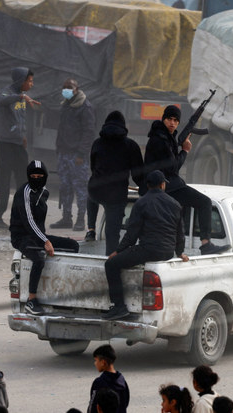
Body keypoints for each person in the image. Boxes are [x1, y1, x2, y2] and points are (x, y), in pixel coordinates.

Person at [102, 170, 189, 320]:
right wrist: (180, 252)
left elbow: (132, 234)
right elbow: (180, 232)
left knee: (111, 265)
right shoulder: (175, 204)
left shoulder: (141, 203)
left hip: (148, 250)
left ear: (148, 185)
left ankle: (119, 307)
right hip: (167, 252)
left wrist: (118, 251)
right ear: (162, 185)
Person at [144, 105, 230, 255]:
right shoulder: (160, 139)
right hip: (167, 186)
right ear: (163, 119)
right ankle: (205, 244)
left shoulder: (164, 137)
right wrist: (185, 150)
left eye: (176, 120)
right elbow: (173, 168)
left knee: (180, 215)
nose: (172, 123)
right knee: (204, 202)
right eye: (169, 119)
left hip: (168, 184)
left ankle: (179, 250)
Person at [10, 160, 80, 315]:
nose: (36, 179)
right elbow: (29, 222)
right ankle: (31, 300)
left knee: (73, 246)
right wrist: (45, 241)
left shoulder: (44, 192)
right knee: (39, 258)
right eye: (33, 176)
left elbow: (39, 223)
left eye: (39, 176)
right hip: (22, 237)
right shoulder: (24, 193)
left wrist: (44, 238)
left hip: (37, 235)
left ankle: (64, 292)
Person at [88, 110, 144, 255]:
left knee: (90, 196)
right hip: (116, 196)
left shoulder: (97, 143)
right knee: (112, 233)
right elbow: (138, 174)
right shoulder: (131, 145)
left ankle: (91, 230)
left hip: (96, 190)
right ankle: (110, 262)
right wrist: (146, 187)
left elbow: (93, 167)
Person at [0, 67, 40, 229]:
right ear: (21, 81)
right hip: (4, 143)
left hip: (18, 144)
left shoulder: (22, 96)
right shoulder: (8, 92)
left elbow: (20, 119)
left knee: (23, 180)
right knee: (4, 180)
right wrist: (21, 96)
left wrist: (23, 136)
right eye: (30, 81)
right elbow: (1, 101)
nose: (32, 84)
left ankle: (21, 216)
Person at [50, 78, 95, 232]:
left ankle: (81, 219)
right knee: (65, 187)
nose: (66, 90)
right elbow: (61, 129)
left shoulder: (85, 107)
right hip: (64, 153)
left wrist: (81, 153)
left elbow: (88, 133)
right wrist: (58, 149)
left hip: (77, 156)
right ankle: (66, 217)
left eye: (69, 87)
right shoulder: (66, 105)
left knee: (80, 188)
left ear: (76, 89)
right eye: (64, 87)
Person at [87, 345, 129, 413]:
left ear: (103, 362)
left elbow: (92, 407)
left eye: (96, 360)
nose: (95, 363)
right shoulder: (122, 381)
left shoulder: (99, 383)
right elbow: (125, 404)